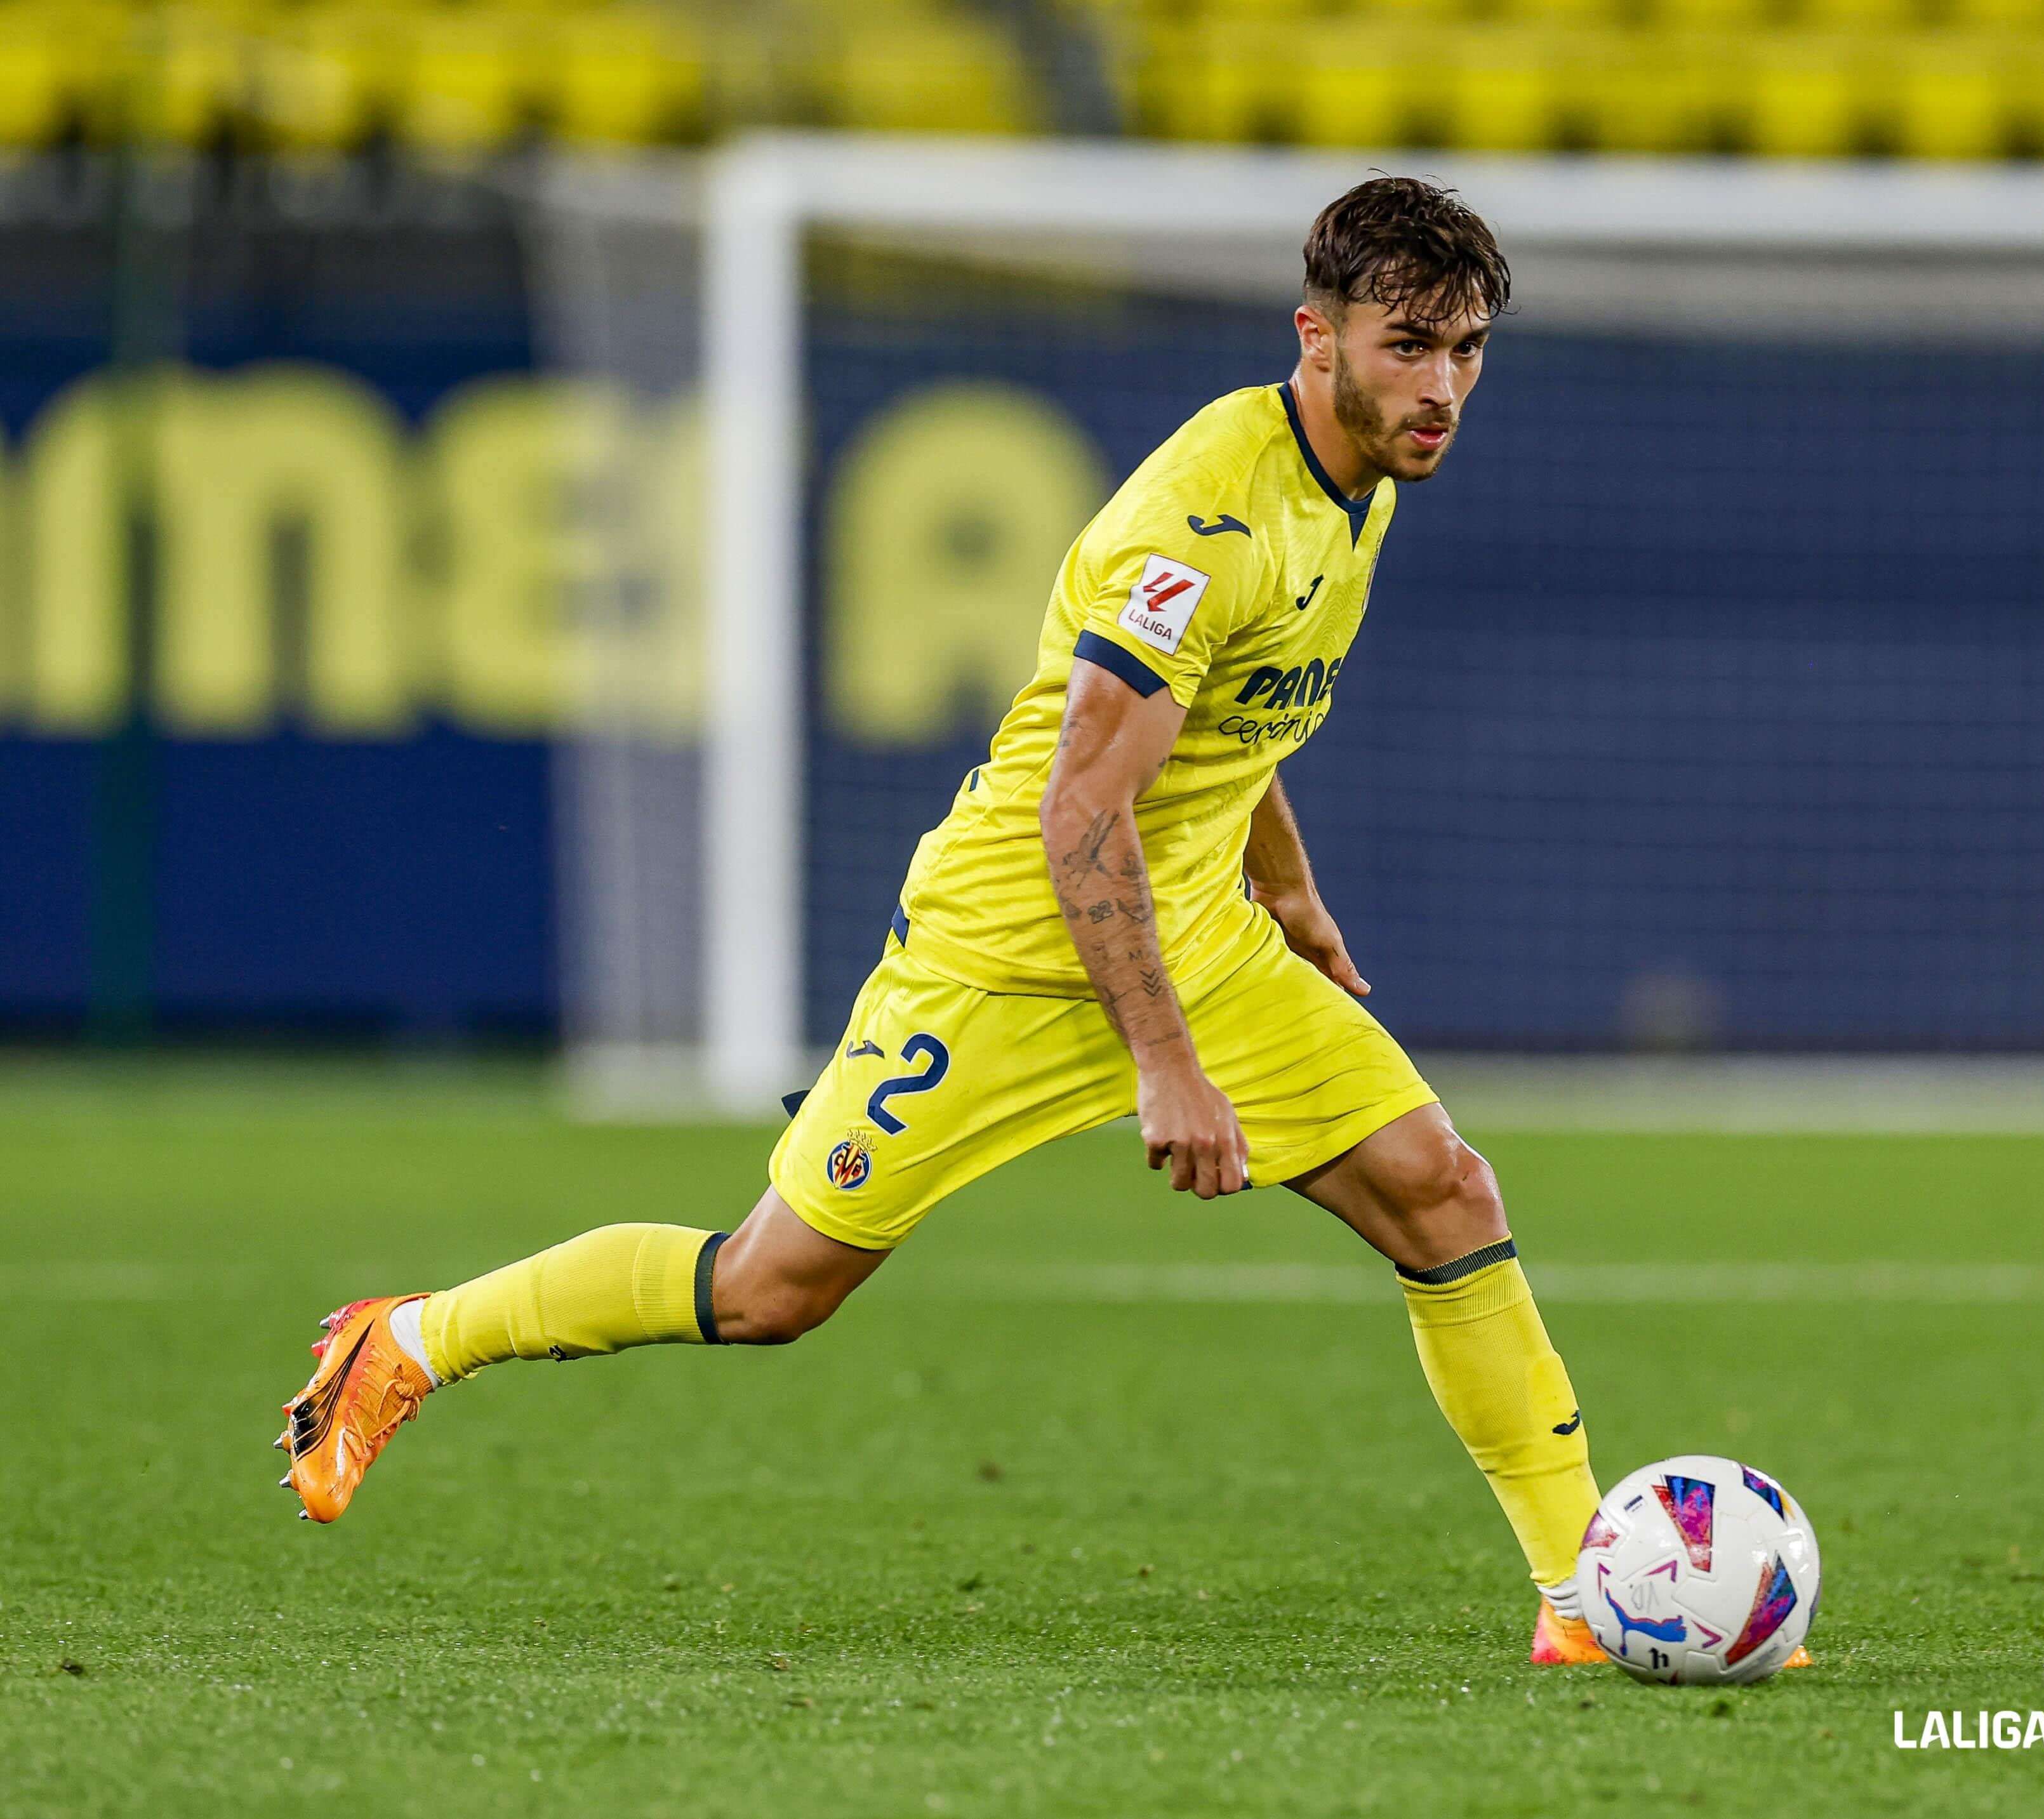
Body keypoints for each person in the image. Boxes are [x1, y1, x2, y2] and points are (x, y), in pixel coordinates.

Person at [280, 176, 1615, 1666]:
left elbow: (1227, 726)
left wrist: (1285, 887)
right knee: (770, 1286)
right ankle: (410, 1339)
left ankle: (1584, 1593)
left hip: (1192, 928)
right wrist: (1167, 1065)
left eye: (1465, 350)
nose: (1440, 388)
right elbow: (1081, 808)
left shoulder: (1360, 481)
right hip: (1010, 949)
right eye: (1406, 347)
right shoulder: (1199, 526)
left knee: (1441, 1189)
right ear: (1316, 337)